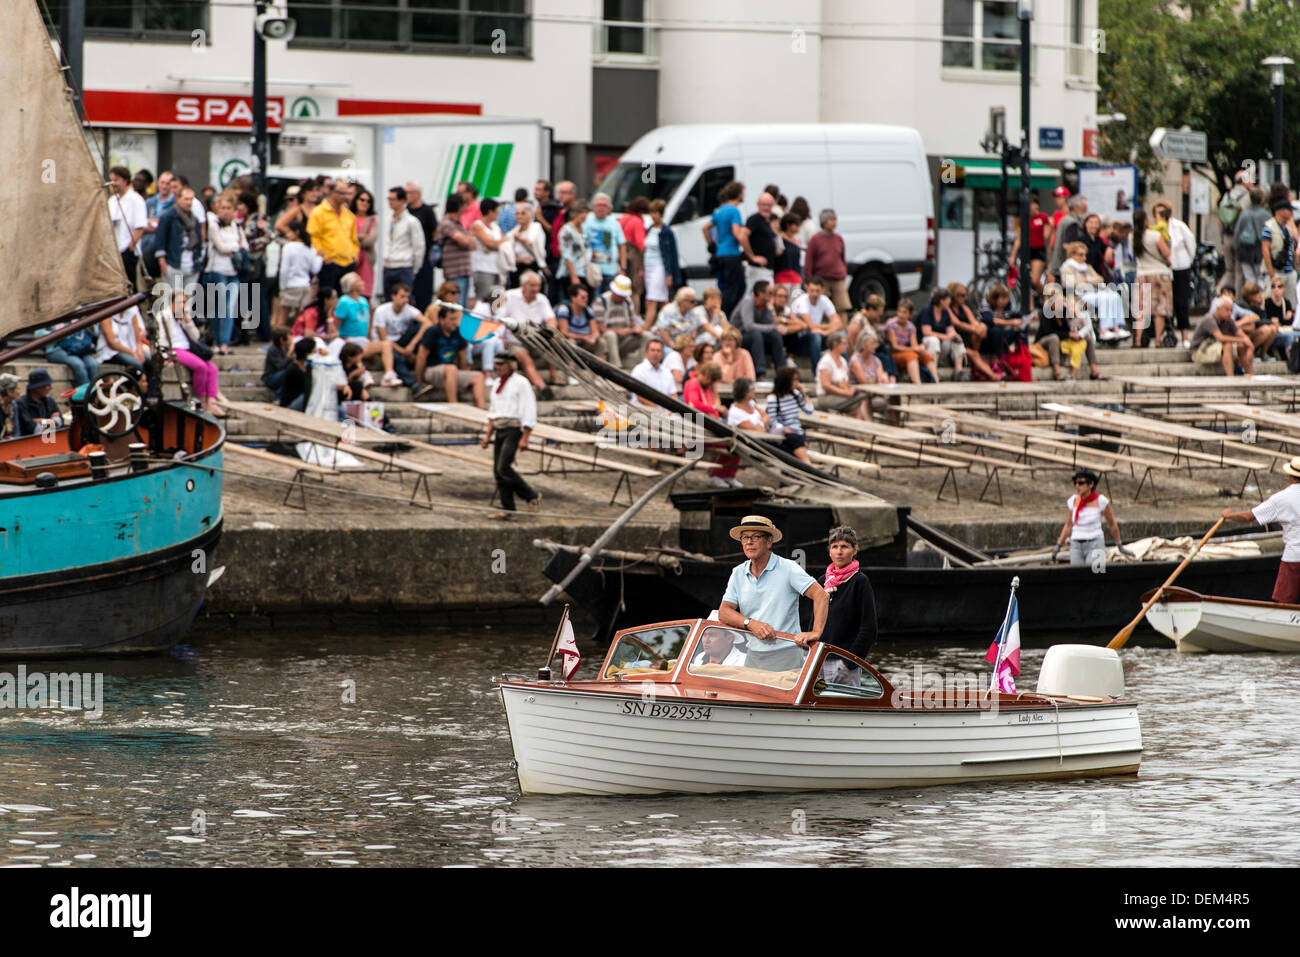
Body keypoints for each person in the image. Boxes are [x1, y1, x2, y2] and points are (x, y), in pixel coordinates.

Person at [717, 515, 829, 662]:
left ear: (769, 541)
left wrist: (815, 633)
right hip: (753, 654)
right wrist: (750, 624)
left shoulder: (788, 568)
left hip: (787, 654)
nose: (749, 542)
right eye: (745, 537)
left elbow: (821, 595)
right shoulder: (738, 572)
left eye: (755, 537)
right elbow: (724, 612)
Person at [1222, 456, 1300, 602]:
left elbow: (1249, 516)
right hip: (1295, 554)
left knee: (1284, 601)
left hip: (1294, 556)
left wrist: (1229, 515)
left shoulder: (1283, 498)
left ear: (1290, 476)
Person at [481, 351, 541, 519]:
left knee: (504, 467)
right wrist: (487, 435)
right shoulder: (497, 383)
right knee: (498, 471)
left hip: (513, 428)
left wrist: (526, 435)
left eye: (502, 364)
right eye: (497, 364)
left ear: (510, 365)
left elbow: (529, 409)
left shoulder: (521, 383)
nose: (498, 367)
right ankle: (508, 509)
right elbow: (493, 412)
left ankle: (530, 495)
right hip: (500, 427)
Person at [818, 525, 878, 666]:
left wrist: (849, 663)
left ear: (854, 551)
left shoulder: (859, 581)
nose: (839, 552)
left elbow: (869, 628)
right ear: (829, 552)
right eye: (834, 547)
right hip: (818, 660)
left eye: (844, 547)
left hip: (843, 662)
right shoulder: (822, 581)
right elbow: (814, 622)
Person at [333, 272, 403, 386]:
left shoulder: (364, 301)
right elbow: (336, 324)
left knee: (387, 344)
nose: (362, 283)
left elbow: (368, 324)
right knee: (355, 351)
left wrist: (370, 340)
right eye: (359, 281)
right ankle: (363, 375)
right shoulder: (344, 301)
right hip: (349, 340)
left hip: (363, 340)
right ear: (351, 286)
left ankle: (389, 375)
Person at [1051, 470, 1132, 567]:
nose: (1077, 486)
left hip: (1095, 542)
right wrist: (1059, 545)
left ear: (1091, 484)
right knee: (1076, 576)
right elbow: (1068, 525)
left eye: (1081, 483)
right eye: (1075, 483)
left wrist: (1119, 545)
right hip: (1077, 544)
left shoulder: (1101, 501)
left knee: (1096, 574)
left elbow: (1112, 524)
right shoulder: (1073, 501)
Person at [163, 289, 223, 417]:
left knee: (212, 368)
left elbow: (195, 336)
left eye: (184, 302)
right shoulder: (164, 316)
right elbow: (161, 338)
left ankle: (211, 402)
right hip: (173, 350)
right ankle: (200, 400)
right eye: (180, 302)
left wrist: (188, 321)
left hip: (187, 349)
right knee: (200, 367)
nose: (183, 305)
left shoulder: (183, 317)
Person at [414, 306, 487, 407]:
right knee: (451, 369)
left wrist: (464, 376)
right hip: (431, 370)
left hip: (451, 371)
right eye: (451, 319)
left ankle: (481, 411)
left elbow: (462, 357)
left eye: (456, 319)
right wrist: (419, 379)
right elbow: (421, 357)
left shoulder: (458, 332)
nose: (454, 322)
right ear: (441, 319)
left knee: (479, 376)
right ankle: (454, 405)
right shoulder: (432, 332)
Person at [203, 193, 249, 355]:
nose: (225, 211)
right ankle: (218, 340)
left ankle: (224, 343)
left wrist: (234, 246)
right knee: (219, 308)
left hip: (233, 271)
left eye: (229, 208)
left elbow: (244, 246)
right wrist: (234, 246)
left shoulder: (237, 226)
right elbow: (220, 246)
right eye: (222, 208)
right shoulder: (214, 224)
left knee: (229, 308)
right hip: (216, 270)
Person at [306, 180, 359, 296]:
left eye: (346, 193)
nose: (345, 197)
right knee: (328, 297)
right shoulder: (319, 212)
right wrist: (322, 256)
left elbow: (353, 239)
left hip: (347, 263)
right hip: (329, 263)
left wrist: (354, 256)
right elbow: (314, 237)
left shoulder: (348, 215)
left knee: (346, 298)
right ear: (332, 192)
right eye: (341, 193)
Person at [705, 181, 749, 315]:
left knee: (726, 287)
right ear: (739, 194)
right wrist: (749, 253)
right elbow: (737, 234)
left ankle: (724, 314)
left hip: (720, 254)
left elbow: (705, 228)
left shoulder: (720, 210)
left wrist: (711, 244)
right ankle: (725, 316)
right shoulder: (734, 210)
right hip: (732, 254)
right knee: (737, 288)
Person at [1133, 206, 1174, 348]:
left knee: (1141, 309)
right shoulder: (1155, 235)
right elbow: (1167, 253)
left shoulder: (1133, 237)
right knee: (1159, 309)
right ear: (1146, 220)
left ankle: (1137, 340)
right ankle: (1157, 340)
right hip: (1159, 274)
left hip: (1142, 274)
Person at [593, 273, 648, 368]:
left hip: (624, 340)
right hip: (607, 339)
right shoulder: (601, 301)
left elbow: (632, 323)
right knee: (611, 335)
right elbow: (598, 328)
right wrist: (619, 332)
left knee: (647, 335)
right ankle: (616, 366)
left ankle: (644, 366)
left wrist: (636, 329)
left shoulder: (627, 301)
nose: (622, 298)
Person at [1191, 295, 1254, 377]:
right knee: (1228, 345)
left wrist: (1250, 347)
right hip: (1200, 350)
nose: (1229, 313)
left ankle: (1250, 376)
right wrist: (1242, 340)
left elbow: (1243, 336)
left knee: (1241, 346)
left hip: (1216, 348)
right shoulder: (1209, 319)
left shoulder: (1229, 320)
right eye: (1227, 310)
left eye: (1231, 310)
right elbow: (1221, 338)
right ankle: (1230, 378)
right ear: (1218, 309)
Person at [731, 280, 785, 376]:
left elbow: (771, 324)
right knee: (756, 335)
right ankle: (760, 371)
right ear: (761, 294)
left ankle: (782, 370)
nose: (772, 295)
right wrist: (773, 327)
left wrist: (770, 309)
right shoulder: (748, 302)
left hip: (754, 336)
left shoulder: (765, 305)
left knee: (775, 336)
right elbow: (749, 326)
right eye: (770, 293)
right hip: (739, 336)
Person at [383, 185, 426, 301]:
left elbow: (419, 247)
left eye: (393, 199)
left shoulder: (411, 221)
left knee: (404, 301)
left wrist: (414, 269)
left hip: (404, 266)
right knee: (388, 302)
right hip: (388, 265)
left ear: (402, 201)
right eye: (389, 199)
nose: (390, 202)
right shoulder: (388, 219)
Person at [643, 198, 681, 327]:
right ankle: (670, 322)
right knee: (662, 300)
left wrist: (669, 274)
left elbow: (672, 255)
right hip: (648, 267)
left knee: (652, 300)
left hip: (659, 268)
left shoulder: (666, 232)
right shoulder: (649, 229)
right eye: (651, 212)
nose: (653, 216)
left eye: (656, 213)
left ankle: (646, 328)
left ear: (661, 214)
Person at [275, 220, 321, 324]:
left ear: (296, 232)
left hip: (291, 285)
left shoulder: (288, 247)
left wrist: (282, 287)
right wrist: (320, 258)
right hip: (305, 285)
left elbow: (284, 270)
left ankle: (278, 339)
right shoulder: (310, 248)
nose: (287, 235)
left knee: (282, 317)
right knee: (299, 319)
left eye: (289, 232)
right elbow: (315, 269)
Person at [815, 331, 869, 419]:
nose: (847, 346)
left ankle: (862, 426)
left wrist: (849, 390)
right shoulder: (826, 361)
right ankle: (867, 424)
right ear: (835, 344)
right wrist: (845, 393)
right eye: (844, 343)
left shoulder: (843, 361)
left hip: (841, 395)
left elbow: (846, 382)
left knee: (861, 404)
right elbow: (826, 386)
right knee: (863, 399)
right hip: (826, 397)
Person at [556, 283, 617, 361]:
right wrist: (583, 337)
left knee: (601, 342)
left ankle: (600, 367)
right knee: (571, 343)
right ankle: (572, 367)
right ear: (573, 298)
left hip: (586, 342)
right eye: (583, 297)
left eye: (587, 297)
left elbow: (596, 332)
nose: (586, 299)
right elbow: (564, 333)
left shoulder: (588, 310)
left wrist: (593, 337)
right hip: (572, 341)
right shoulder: (564, 309)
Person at [917, 287, 968, 379]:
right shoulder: (927, 310)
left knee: (957, 341)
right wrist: (946, 336)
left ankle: (958, 371)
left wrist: (955, 336)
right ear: (941, 300)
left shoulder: (945, 312)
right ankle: (933, 371)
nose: (950, 302)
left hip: (942, 344)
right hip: (924, 344)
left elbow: (950, 330)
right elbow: (926, 332)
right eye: (948, 299)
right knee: (933, 341)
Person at [436, 193, 476, 309]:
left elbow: (473, 245)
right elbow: (465, 242)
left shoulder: (458, 224)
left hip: (464, 271)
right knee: (456, 306)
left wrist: (469, 240)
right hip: (454, 272)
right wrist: (470, 237)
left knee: (464, 307)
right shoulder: (446, 223)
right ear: (459, 206)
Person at [765, 365, 813, 463]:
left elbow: (809, 410)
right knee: (802, 457)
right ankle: (811, 471)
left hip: (796, 433)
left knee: (793, 451)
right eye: (794, 380)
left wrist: (804, 394)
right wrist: (785, 429)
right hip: (783, 434)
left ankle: (797, 473)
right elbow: (772, 421)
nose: (797, 383)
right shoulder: (774, 398)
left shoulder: (795, 394)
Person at [805, 209, 850, 312]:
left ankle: (842, 327)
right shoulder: (815, 239)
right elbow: (809, 261)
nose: (835, 222)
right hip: (821, 279)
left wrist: (843, 272)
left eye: (835, 219)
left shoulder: (838, 238)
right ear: (824, 221)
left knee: (842, 307)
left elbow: (842, 258)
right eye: (832, 219)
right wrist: (809, 280)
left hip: (838, 278)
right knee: (819, 307)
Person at [884, 299, 937, 384]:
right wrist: (914, 349)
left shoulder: (911, 327)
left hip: (907, 351)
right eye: (899, 311)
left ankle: (936, 382)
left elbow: (914, 345)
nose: (901, 315)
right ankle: (918, 384)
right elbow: (895, 347)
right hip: (893, 354)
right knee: (911, 356)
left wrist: (920, 349)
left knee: (927, 355)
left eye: (904, 312)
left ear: (910, 314)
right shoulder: (891, 324)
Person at [585, 192, 627, 296]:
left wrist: (622, 268)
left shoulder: (614, 223)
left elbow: (622, 245)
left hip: (610, 270)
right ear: (593, 207)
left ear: (609, 209)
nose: (601, 208)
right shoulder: (586, 220)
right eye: (599, 205)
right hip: (592, 269)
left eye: (604, 206)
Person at [95, 304, 151, 381]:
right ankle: (138, 389)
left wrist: (139, 351)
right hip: (112, 352)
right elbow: (112, 343)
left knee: (149, 360)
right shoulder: (107, 315)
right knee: (136, 364)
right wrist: (132, 353)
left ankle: (151, 389)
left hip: (131, 350)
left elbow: (137, 338)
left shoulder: (132, 313)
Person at [1261, 197, 1298, 309]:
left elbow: (1295, 242)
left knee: (1291, 302)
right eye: (1289, 210)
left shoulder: (1287, 228)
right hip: (1276, 271)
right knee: (1272, 300)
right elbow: (1265, 250)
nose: (1292, 213)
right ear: (1281, 211)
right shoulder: (1269, 227)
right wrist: (1271, 273)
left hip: (1289, 271)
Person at [12, 369, 64, 438]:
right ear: (37, 387)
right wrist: (52, 421)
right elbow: (30, 427)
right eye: (47, 385)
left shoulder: (50, 401)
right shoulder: (21, 403)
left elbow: (60, 421)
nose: (50, 388)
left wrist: (41, 421)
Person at [556, 198, 592, 293]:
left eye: (586, 212)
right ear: (574, 213)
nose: (584, 215)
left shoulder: (585, 228)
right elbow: (567, 255)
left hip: (584, 271)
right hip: (571, 273)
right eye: (581, 212)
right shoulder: (567, 230)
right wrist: (573, 276)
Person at [744, 191, 779, 288]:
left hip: (767, 269)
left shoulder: (767, 221)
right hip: (758, 270)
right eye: (763, 205)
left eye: (769, 205)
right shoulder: (755, 219)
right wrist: (752, 256)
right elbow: (742, 236)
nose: (766, 208)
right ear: (758, 205)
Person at [628, 338, 675, 407]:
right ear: (646, 352)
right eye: (652, 350)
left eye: (658, 351)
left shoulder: (667, 372)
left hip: (665, 414)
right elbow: (640, 397)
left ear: (662, 354)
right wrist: (660, 411)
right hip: (642, 411)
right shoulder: (639, 370)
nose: (655, 353)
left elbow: (673, 395)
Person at [279, 337, 316, 411]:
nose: (316, 352)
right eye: (314, 350)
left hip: (299, 401)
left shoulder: (307, 367)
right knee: (309, 394)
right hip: (290, 405)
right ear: (308, 353)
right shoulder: (293, 369)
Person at [262, 325, 294, 400]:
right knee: (288, 372)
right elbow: (280, 366)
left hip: (281, 377)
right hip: (271, 378)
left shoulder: (286, 348)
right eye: (290, 338)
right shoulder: (273, 349)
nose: (292, 340)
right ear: (282, 340)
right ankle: (278, 397)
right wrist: (289, 355)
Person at [0, 374, 19, 440]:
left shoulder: (13, 405)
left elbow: (17, 431)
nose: (19, 392)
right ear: (9, 391)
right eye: (18, 388)